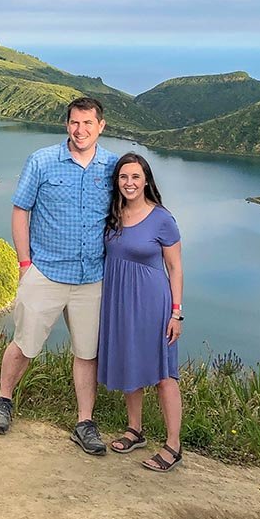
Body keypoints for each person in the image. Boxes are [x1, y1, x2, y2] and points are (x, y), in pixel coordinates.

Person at [0, 96, 118, 456]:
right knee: (24, 343)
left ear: (101, 126)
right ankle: (3, 400)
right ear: (67, 125)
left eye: (88, 123)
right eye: (75, 123)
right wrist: (25, 264)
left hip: (92, 277)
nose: (81, 130)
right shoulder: (42, 161)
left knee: (86, 353)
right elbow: (20, 210)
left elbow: (130, 212)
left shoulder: (112, 167)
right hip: (45, 271)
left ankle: (85, 422)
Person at [97, 152, 185, 472]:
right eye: (123, 177)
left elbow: (175, 268)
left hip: (152, 303)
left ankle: (173, 445)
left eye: (135, 177)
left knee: (164, 373)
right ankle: (135, 429)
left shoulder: (162, 218)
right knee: (129, 362)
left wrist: (176, 313)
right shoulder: (113, 213)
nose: (129, 183)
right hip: (119, 300)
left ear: (146, 179)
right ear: (117, 182)